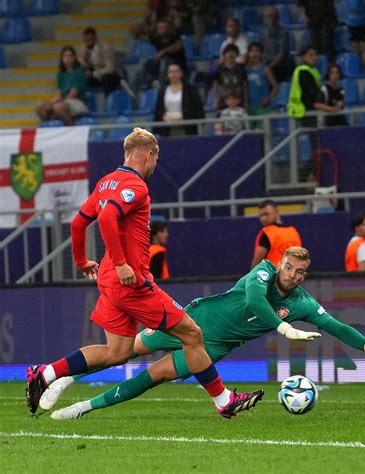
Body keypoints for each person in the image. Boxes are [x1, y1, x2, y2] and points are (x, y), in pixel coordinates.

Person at [26, 127, 263, 419]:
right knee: (192, 333)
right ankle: (224, 400)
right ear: (149, 155)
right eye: (156, 159)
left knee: (117, 352)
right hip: (130, 281)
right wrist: (123, 261)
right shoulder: (136, 186)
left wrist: (81, 261)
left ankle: (45, 373)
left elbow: (78, 224)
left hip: (110, 280)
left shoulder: (105, 182)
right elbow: (109, 217)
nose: (155, 165)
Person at [41, 247, 365, 420]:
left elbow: (333, 325)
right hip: (192, 321)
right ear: (280, 265)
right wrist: (282, 326)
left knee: (154, 376)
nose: (292, 274)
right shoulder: (261, 273)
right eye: (288, 268)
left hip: (212, 346)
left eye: (299, 272)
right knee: (124, 350)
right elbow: (257, 301)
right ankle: (65, 378)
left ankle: (81, 408)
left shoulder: (303, 302)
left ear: (305, 275)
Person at [35, 46, 88, 126]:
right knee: (39, 107)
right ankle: (52, 128)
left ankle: (72, 130)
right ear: (62, 59)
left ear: (74, 58)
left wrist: (54, 105)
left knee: (57, 108)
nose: (67, 58)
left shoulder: (79, 73)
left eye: (70, 56)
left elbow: (72, 95)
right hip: (63, 102)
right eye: (65, 56)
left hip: (77, 102)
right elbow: (59, 95)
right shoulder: (60, 74)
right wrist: (49, 103)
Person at [153, 62, 204, 136]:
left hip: (187, 129)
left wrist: (184, 118)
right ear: (167, 74)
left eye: (176, 71)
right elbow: (159, 111)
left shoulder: (191, 90)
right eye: (171, 72)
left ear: (181, 73)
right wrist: (163, 118)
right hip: (167, 130)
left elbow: (198, 110)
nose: (173, 74)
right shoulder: (163, 92)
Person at [251, 199, 302, 269]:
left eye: (266, 214)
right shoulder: (293, 231)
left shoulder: (267, 233)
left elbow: (258, 260)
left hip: (273, 275)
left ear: (276, 213)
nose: (263, 218)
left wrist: (251, 276)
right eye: (261, 215)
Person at [142, 18, 187, 90]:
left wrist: (163, 51)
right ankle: (149, 83)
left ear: (169, 29)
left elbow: (178, 46)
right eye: (160, 28)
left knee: (164, 61)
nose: (163, 30)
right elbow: (136, 35)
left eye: (165, 28)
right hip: (162, 69)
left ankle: (162, 88)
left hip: (178, 67)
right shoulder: (157, 38)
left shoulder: (174, 37)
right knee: (144, 61)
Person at [78, 27, 123, 96]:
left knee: (107, 79)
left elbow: (110, 69)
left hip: (111, 76)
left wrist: (94, 73)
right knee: (79, 78)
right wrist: (84, 59)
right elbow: (81, 64)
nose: (88, 43)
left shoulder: (105, 48)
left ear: (95, 38)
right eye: (86, 40)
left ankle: (109, 102)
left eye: (90, 40)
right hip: (95, 76)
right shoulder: (83, 48)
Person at [287, 45, 322, 123]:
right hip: (304, 111)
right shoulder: (303, 71)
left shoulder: (313, 71)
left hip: (308, 110)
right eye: (311, 55)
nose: (315, 58)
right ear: (304, 57)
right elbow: (310, 93)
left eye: (316, 55)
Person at [259, 6, 293, 82]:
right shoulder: (262, 34)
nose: (271, 19)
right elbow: (259, 51)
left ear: (278, 18)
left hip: (279, 66)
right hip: (266, 64)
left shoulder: (284, 32)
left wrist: (269, 67)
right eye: (268, 16)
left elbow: (281, 54)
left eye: (273, 16)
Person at [246, 42, 278, 116]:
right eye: (252, 51)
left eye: (257, 51)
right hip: (250, 107)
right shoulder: (246, 69)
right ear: (248, 53)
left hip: (263, 106)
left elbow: (275, 87)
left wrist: (268, 98)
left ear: (261, 53)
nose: (254, 53)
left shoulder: (265, 69)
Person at [213, 43, 247, 110]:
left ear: (237, 54)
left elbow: (245, 86)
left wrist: (246, 102)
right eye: (228, 51)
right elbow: (215, 86)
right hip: (224, 101)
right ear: (224, 55)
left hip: (239, 101)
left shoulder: (241, 68)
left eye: (233, 51)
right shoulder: (219, 69)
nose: (230, 54)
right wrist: (215, 100)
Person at [342, 0, 365, 68]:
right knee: (356, 48)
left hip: (361, 23)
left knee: (363, 47)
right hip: (353, 24)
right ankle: (358, 69)